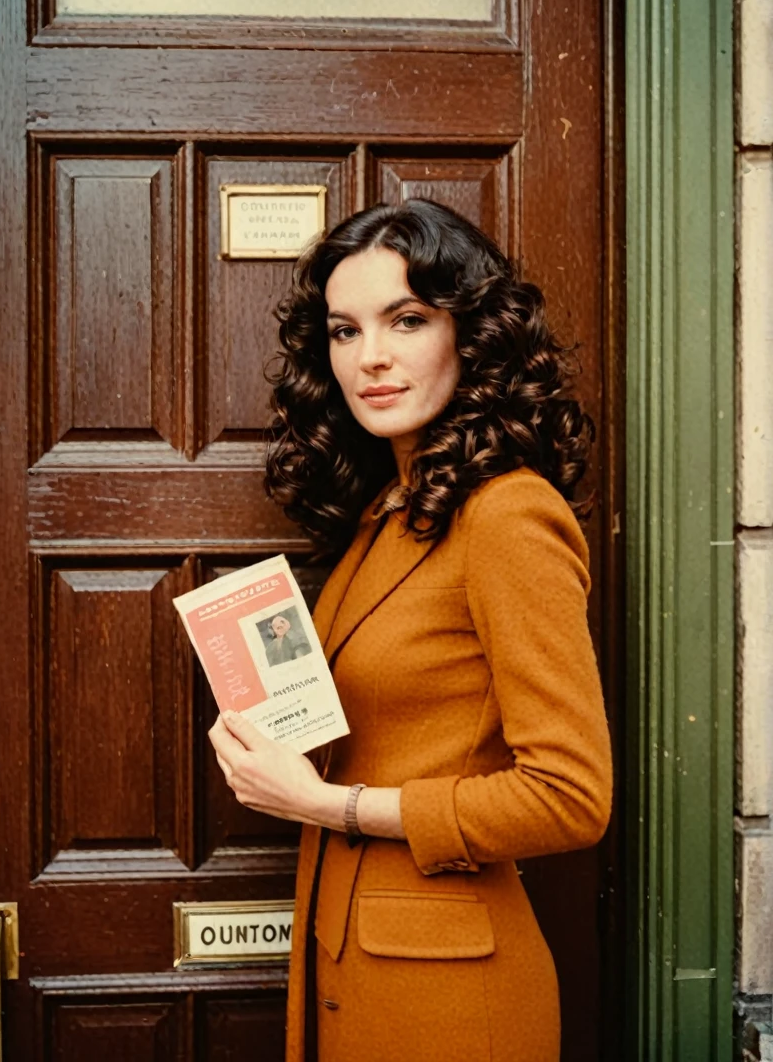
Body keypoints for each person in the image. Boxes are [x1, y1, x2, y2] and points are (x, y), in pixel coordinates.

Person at [208, 199, 613, 1062]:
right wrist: (267, 739)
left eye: (408, 320)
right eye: (345, 331)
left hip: (453, 997)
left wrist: (327, 804)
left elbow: (571, 796)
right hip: (351, 968)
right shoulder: (388, 511)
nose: (372, 357)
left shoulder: (509, 515)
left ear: (472, 336)